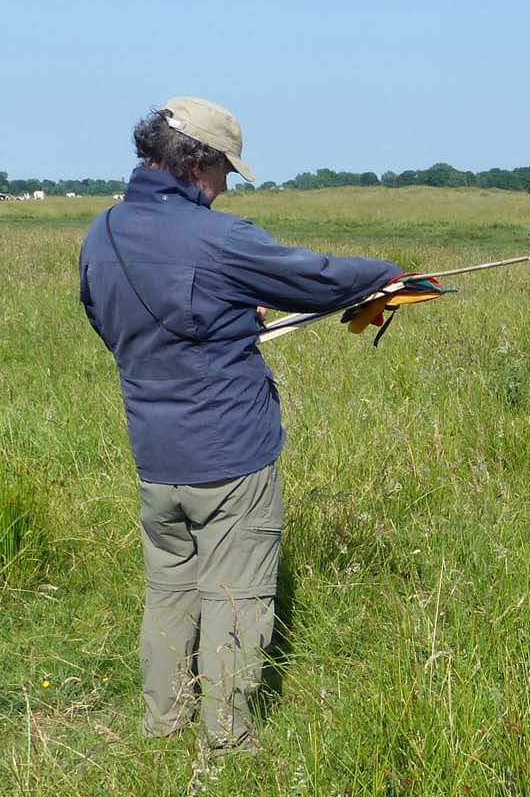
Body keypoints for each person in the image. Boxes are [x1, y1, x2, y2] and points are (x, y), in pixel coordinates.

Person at [79, 97, 401, 751]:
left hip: (156, 460)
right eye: (225, 168)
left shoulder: (101, 233)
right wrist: (389, 276)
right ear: (197, 164)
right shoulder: (221, 238)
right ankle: (227, 752)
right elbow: (318, 280)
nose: (227, 184)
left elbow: (108, 321)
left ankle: (161, 730)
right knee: (236, 602)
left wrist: (222, 319)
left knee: (170, 596)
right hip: (230, 459)